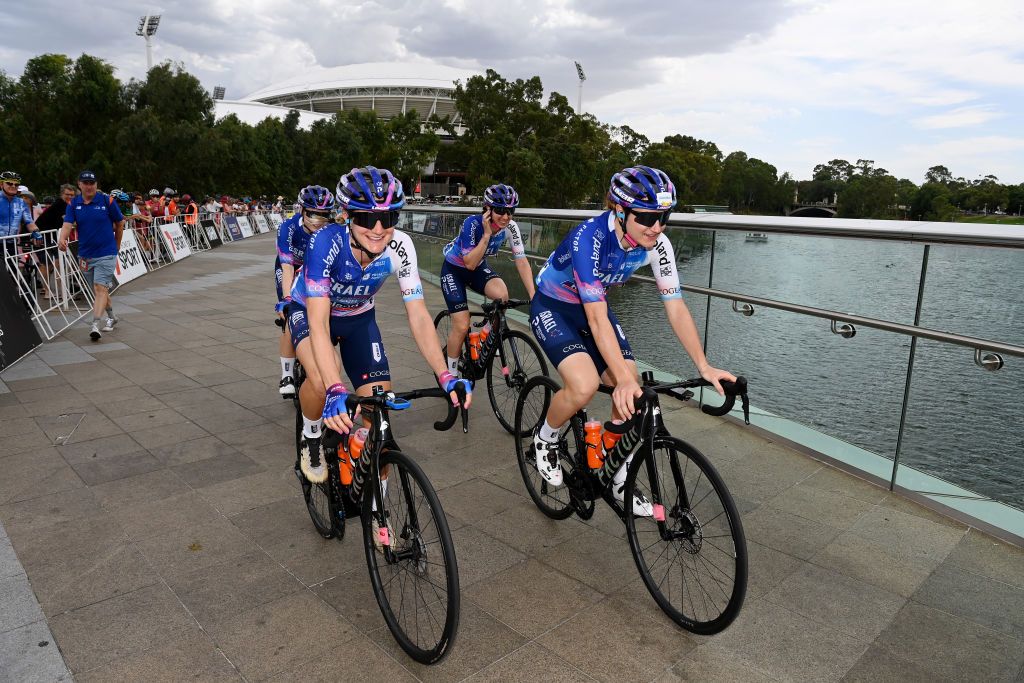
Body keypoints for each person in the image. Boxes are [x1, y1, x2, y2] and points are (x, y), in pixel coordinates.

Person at [528, 166, 735, 515]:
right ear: (619, 211)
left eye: (664, 217)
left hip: (595, 306)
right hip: (555, 306)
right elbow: (595, 317)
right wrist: (620, 379)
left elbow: (676, 308)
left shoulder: (658, 245)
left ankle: (617, 472)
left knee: (632, 392)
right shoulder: (588, 239)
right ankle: (545, 437)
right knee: (585, 386)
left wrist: (703, 365)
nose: (657, 227)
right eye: (648, 217)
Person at [287, 166, 472, 484]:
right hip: (311, 312)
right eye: (364, 217)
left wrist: (445, 374)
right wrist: (334, 388)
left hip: (359, 318)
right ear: (346, 215)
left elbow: (418, 315)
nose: (377, 229)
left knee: (379, 413)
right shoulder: (325, 243)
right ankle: (310, 434)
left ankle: (378, 517)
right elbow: (318, 324)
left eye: (387, 219)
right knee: (320, 381)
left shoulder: (401, 247)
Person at [440, 184, 535, 375]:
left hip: (477, 267)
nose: (506, 216)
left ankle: (484, 335)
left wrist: (534, 295)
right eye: (500, 210)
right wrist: (486, 235)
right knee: (461, 325)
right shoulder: (472, 224)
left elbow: (522, 261)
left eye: (510, 211)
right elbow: (469, 264)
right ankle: (450, 377)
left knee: (503, 296)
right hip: (455, 270)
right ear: (487, 209)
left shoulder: (511, 227)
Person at [275, 185, 334, 398]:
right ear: (301, 210)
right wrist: (287, 298)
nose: (318, 220)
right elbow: (288, 267)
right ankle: (287, 374)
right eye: (312, 214)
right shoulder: (288, 228)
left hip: (314, 271)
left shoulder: (330, 230)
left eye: (324, 215)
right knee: (290, 315)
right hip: (291, 268)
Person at [57, 171, 125, 341]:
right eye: (85, 183)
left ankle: (95, 324)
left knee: (100, 288)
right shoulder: (74, 204)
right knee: (98, 291)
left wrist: (116, 245)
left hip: (106, 253)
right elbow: (67, 224)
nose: (89, 186)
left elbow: (120, 222)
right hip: (85, 255)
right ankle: (112, 316)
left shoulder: (107, 201)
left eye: (92, 183)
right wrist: (62, 238)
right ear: (79, 184)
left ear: (96, 184)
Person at [1, 171, 43, 267]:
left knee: (13, 275)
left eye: (16, 184)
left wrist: (36, 232)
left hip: (11, 244)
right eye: (9, 183)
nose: (13, 186)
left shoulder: (21, 202)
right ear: (1, 184)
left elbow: (29, 222)